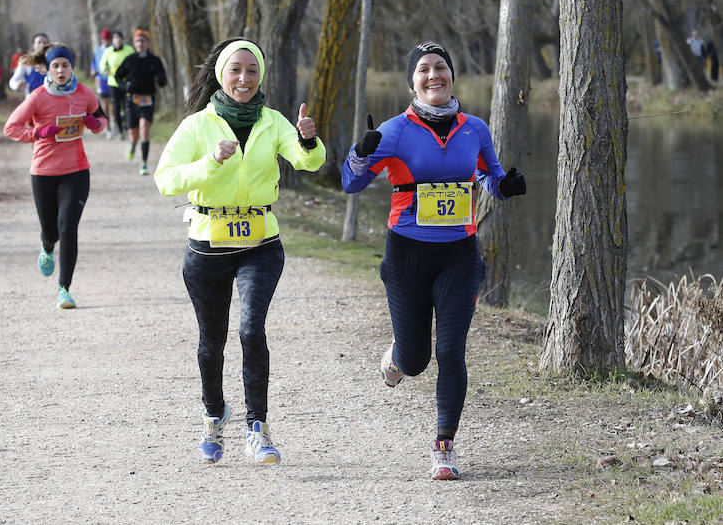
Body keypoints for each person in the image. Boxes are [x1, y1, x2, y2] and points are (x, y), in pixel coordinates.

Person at [341, 41, 527, 481]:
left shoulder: (474, 128)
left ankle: (444, 446)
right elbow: (351, 182)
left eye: (440, 67)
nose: (433, 76)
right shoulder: (395, 130)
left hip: (460, 254)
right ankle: (396, 359)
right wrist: (362, 151)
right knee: (417, 358)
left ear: (451, 76)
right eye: (423, 69)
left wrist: (508, 186)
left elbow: (490, 176)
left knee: (450, 349)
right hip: (407, 253)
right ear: (413, 81)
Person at [154, 38, 325, 465]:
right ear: (221, 75)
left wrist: (307, 141)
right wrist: (210, 161)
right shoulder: (197, 126)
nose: (244, 78)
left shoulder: (273, 121)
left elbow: (308, 162)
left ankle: (257, 428)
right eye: (235, 70)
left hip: (260, 244)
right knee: (211, 341)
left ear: (260, 75)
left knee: (252, 331)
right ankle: (213, 417)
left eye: (252, 70)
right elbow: (165, 180)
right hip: (208, 244)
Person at [3, 42, 107, 309]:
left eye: (65, 65)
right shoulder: (38, 97)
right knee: (50, 231)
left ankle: (64, 289)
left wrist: (96, 125)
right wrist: (37, 133)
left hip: (76, 171)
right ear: (47, 69)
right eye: (55, 66)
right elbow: (10, 127)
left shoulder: (84, 94)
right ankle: (47, 247)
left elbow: (101, 118)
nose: (61, 70)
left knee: (67, 227)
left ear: (72, 67)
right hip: (44, 171)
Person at [115, 29, 168, 175]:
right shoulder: (130, 60)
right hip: (132, 100)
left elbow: (162, 76)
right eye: (138, 41)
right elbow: (117, 76)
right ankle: (132, 144)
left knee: (144, 128)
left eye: (143, 41)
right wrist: (125, 86)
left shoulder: (154, 60)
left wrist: (162, 79)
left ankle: (143, 164)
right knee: (134, 134)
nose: (140, 43)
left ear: (148, 43)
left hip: (148, 99)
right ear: (134, 43)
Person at [98, 31, 135, 137]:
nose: (117, 40)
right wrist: (104, 69)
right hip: (113, 83)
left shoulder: (129, 50)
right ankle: (120, 130)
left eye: (119, 38)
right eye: (115, 39)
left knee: (127, 106)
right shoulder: (108, 51)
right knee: (116, 107)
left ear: (122, 40)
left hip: (126, 82)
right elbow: (101, 65)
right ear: (112, 40)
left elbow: (135, 62)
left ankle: (128, 127)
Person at [90, 29, 115, 139]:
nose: (106, 41)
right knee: (104, 106)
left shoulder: (115, 49)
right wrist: (93, 70)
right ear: (102, 39)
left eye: (108, 39)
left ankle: (116, 124)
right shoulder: (97, 51)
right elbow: (94, 63)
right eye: (104, 39)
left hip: (113, 80)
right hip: (101, 80)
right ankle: (108, 129)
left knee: (113, 105)